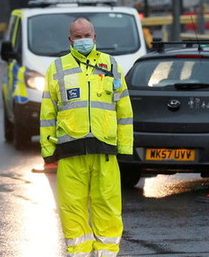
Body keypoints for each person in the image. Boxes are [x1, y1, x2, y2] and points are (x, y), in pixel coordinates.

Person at [40, 17, 134, 257]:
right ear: (70, 40)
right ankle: (78, 253)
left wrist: (124, 147)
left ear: (95, 37)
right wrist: (47, 150)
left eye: (86, 36)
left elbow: (124, 110)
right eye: (78, 36)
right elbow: (47, 113)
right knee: (72, 208)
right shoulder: (57, 68)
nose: (83, 40)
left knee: (108, 206)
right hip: (70, 150)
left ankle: (107, 253)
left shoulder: (111, 65)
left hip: (104, 149)